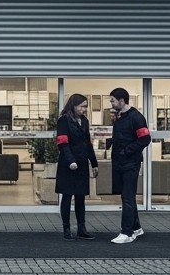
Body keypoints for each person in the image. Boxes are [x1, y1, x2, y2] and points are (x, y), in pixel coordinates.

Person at [107, 87, 150, 244]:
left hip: (130, 163)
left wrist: (126, 151)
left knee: (128, 197)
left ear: (121, 101)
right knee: (126, 196)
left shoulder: (136, 117)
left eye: (112, 100)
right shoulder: (120, 116)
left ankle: (127, 233)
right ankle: (137, 228)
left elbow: (145, 139)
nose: (110, 103)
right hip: (120, 162)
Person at [55, 93, 98, 240]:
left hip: (82, 163)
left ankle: (82, 228)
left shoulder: (84, 121)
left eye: (85, 107)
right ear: (73, 106)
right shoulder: (64, 121)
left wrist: (94, 162)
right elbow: (62, 142)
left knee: (81, 197)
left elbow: (88, 143)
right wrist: (70, 160)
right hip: (68, 164)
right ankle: (66, 229)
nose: (84, 109)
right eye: (82, 106)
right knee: (67, 196)